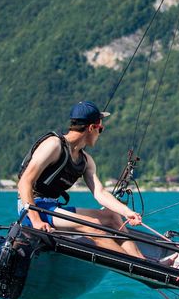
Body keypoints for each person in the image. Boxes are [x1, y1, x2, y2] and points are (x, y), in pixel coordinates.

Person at [17, 100, 144, 258]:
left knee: (112, 217)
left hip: (52, 208)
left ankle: (143, 261)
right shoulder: (54, 145)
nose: (100, 134)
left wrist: (127, 212)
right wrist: (36, 220)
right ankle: (136, 265)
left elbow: (100, 193)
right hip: (32, 208)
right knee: (93, 226)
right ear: (91, 128)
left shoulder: (86, 160)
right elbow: (24, 182)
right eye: (101, 129)